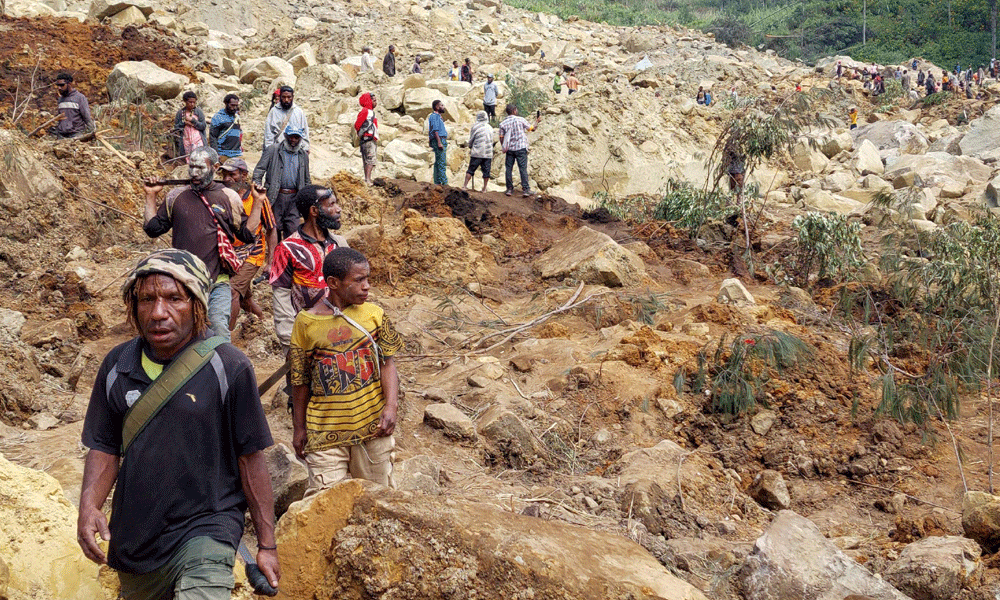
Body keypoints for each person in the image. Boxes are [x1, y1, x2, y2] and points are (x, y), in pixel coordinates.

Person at [77, 249, 279, 600]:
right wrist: (89, 507)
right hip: (137, 541)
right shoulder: (117, 365)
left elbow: (251, 459)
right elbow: (105, 447)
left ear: (197, 305)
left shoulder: (228, 366)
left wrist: (267, 544)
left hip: (208, 529)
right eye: (146, 300)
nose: (158, 313)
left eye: (174, 299)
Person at [290, 247, 403, 493]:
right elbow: (300, 380)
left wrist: (391, 406)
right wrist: (299, 428)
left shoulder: (374, 315)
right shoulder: (306, 323)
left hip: (373, 429)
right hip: (324, 434)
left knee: (379, 501)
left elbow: (387, 364)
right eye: (359, 280)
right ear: (333, 283)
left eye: (368, 279)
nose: (367, 286)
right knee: (323, 505)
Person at [143, 146, 262, 340]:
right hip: (184, 283)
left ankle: (222, 369)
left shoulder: (229, 197)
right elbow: (152, 229)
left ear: (215, 167)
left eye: (201, 168)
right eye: (192, 168)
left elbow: (247, 234)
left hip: (217, 282)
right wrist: (150, 195)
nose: (195, 174)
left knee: (219, 331)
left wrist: (257, 202)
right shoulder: (176, 196)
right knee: (185, 335)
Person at [269, 185, 349, 354]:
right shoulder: (287, 249)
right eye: (332, 204)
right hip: (307, 336)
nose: (338, 209)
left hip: (342, 332)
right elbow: (281, 297)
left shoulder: (340, 244)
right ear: (314, 210)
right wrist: (290, 341)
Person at [221, 158, 277, 332]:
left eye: (232, 174)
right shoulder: (222, 196)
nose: (227, 178)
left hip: (252, 254)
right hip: (229, 254)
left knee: (232, 292)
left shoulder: (257, 198)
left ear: (243, 175)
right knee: (245, 299)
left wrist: (271, 261)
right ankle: (262, 322)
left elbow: (271, 229)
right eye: (224, 174)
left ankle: (225, 340)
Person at [254, 126, 310, 241]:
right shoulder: (273, 150)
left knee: (293, 229)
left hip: (295, 198)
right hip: (276, 196)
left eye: (296, 137)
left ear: (300, 139)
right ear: (285, 136)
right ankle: (275, 256)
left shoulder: (303, 155)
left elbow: (307, 179)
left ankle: (289, 256)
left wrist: (308, 197)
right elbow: (259, 170)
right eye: (291, 137)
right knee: (274, 228)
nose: (293, 140)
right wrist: (257, 186)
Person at [498, 103, 539, 197]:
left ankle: (509, 189)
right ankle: (526, 189)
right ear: (514, 110)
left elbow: (501, 137)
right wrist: (537, 121)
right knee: (522, 168)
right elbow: (532, 129)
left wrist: (504, 146)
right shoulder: (520, 120)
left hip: (510, 149)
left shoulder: (502, 124)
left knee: (508, 168)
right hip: (521, 147)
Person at [264, 86, 309, 151]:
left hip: (295, 151)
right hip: (277, 151)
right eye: (283, 97)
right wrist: (269, 150)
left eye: (289, 97)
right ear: (280, 97)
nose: (286, 100)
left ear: (293, 97)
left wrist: (306, 149)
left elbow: (304, 132)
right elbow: (268, 133)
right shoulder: (273, 112)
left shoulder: (299, 112)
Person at [51, 72, 94, 138]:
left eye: (62, 85)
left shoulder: (80, 98)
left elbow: (86, 116)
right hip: (61, 135)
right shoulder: (60, 99)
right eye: (58, 85)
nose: (59, 88)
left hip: (76, 135)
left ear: (69, 84)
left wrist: (92, 133)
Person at [463, 111, 493, 192]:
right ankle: (484, 188)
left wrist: (470, 146)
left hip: (477, 152)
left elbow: (472, 139)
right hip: (488, 153)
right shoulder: (490, 127)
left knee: (471, 169)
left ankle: (465, 185)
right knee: (486, 171)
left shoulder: (475, 127)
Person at [172, 91, 206, 161]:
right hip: (186, 140)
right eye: (190, 102)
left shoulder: (198, 112)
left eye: (194, 102)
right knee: (188, 159)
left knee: (199, 158)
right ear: (185, 101)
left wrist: (193, 121)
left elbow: (203, 126)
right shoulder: (180, 113)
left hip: (198, 140)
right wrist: (184, 123)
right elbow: (176, 127)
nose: (192, 104)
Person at [209, 94, 243, 160]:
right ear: (226, 104)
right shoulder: (218, 117)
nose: (235, 108)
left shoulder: (236, 117)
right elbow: (213, 137)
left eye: (236, 105)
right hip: (223, 153)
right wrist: (216, 154)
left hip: (237, 153)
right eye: (232, 105)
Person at [355, 92, 379, 185]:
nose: (375, 102)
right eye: (374, 100)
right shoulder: (366, 111)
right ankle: (368, 180)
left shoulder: (369, 112)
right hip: (368, 139)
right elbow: (357, 124)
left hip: (367, 139)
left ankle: (367, 179)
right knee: (370, 159)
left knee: (367, 160)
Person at [428, 99, 448, 185]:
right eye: (441, 105)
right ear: (437, 107)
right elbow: (435, 130)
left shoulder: (438, 117)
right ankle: (444, 183)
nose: (443, 107)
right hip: (439, 139)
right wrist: (439, 142)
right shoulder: (434, 116)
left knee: (438, 162)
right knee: (442, 162)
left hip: (438, 139)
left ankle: (437, 182)